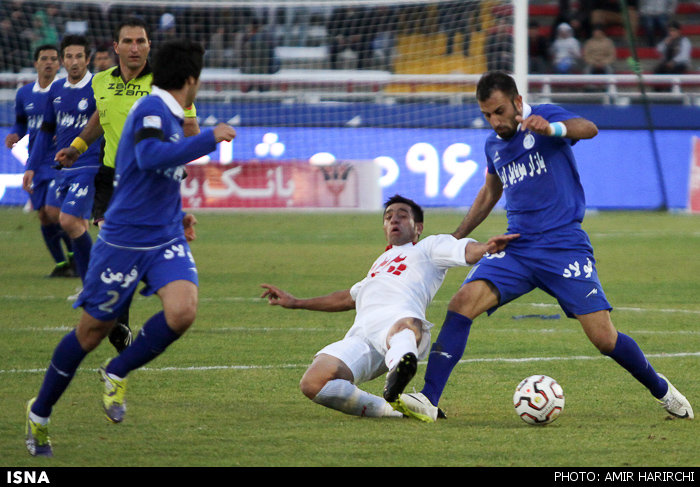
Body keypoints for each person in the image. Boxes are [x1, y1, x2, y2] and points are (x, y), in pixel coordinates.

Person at [394, 71, 694, 423]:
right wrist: (456, 237)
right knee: (461, 304)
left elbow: (589, 128)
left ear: (518, 103)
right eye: (487, 114)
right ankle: (428, 399)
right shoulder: (494, 145)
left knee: (603, 338)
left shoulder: (546, 117)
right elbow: (491, 192)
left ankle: (663, 390)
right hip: (517, 247)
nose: (495, 121)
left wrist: (551, 130)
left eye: (500, 111)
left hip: (563, 247)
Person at [24, 38, 237, 458]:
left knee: (183, 310)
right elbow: (151, 155)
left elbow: (156, 177)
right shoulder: (153, 110)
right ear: (191, 80)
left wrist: (179, 215)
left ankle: (118, 369)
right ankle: (40, 413)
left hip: (164, 237)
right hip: (123, 240)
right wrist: (210, 138)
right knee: (91, 332)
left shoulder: (170, 112)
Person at [260, 194, 517, 419]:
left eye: (402, 215)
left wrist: (485, 248)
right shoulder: (379, 263)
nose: (394, 219)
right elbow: (349, 298)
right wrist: (295, 303)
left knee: (406, 325)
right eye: (388, 216)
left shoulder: (428, 248)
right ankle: (391, 409)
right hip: (362, 336)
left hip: (401, 326)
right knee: (313, 383)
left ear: (418, 228)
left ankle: (401, 366)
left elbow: (463, 250)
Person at [54, 17, 200, 353]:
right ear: (115, 47)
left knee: (133, 249)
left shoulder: (166, 83)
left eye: (142, 41)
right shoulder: (102, 82)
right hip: (110, 176)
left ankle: (126, 309)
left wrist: (175, 148)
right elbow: (100, 118)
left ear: (150, 46)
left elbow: (190, 128)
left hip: (150, 182)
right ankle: (119, 319)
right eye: (129, 41)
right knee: (112, 241)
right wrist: (77, 147)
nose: (135, 47)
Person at [27, 35, 100, 289]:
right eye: (68, 56)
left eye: (79, 56)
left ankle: (93, 283)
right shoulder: (56, 90)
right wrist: (31, 167)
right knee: (71, 222)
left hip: (89, 166)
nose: (74, 61)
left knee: (68, 221)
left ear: (87, 59)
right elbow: (46, 132)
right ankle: (88, 283)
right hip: (61, 169)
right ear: (62, 60)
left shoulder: (98, 87)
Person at [6, 44, 75, 278]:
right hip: (35, 161)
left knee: (54, 211)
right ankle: (61, 264)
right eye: (44, 58)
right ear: (35, 63)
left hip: (60, 161)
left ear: (59, 64)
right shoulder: (24, 94)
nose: (49, 63)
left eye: (53, 59)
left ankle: (77, 256)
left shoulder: (66, 91)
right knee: (43, 215)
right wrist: (15, 133)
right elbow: (21, 122)